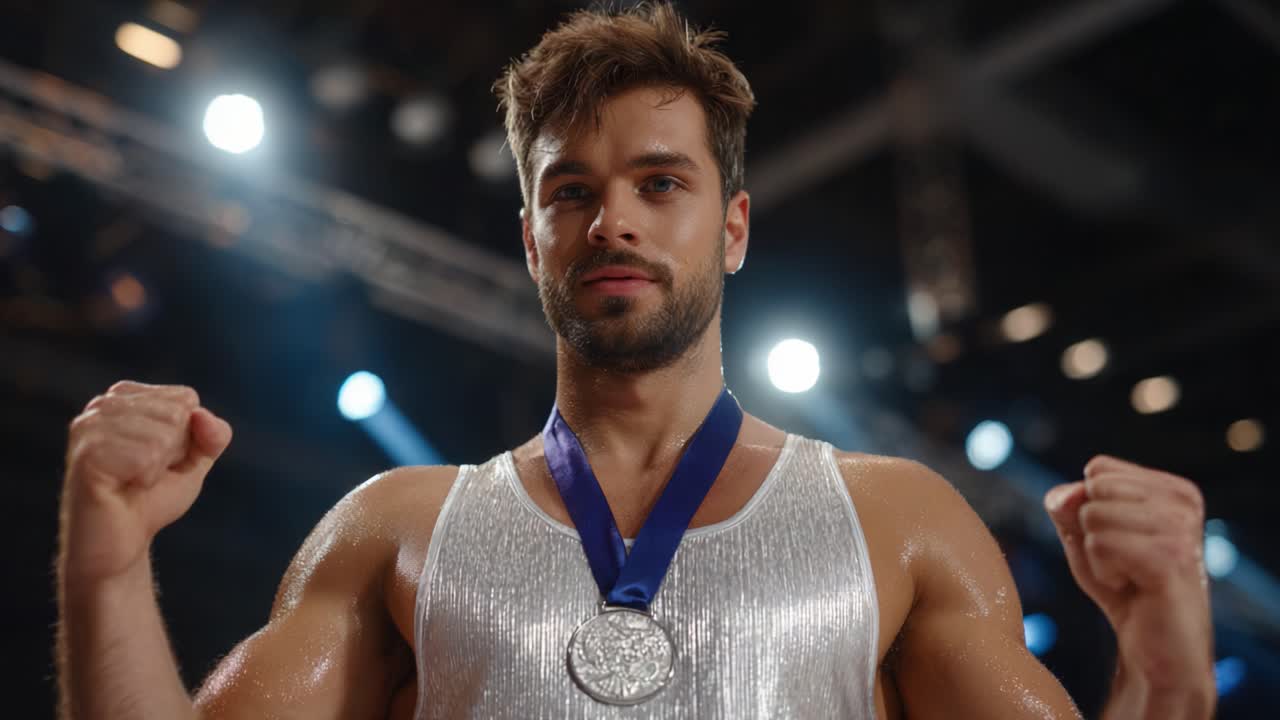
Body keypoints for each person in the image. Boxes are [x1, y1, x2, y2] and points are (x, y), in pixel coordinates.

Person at [56, 4, 1215, 719]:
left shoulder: (895, 521)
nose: (610, 222)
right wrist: (104, 564)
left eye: (659, 183)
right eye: (570, 193)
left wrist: (1166, 653)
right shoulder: (396, 530)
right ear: (530, 239)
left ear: (733, 226)